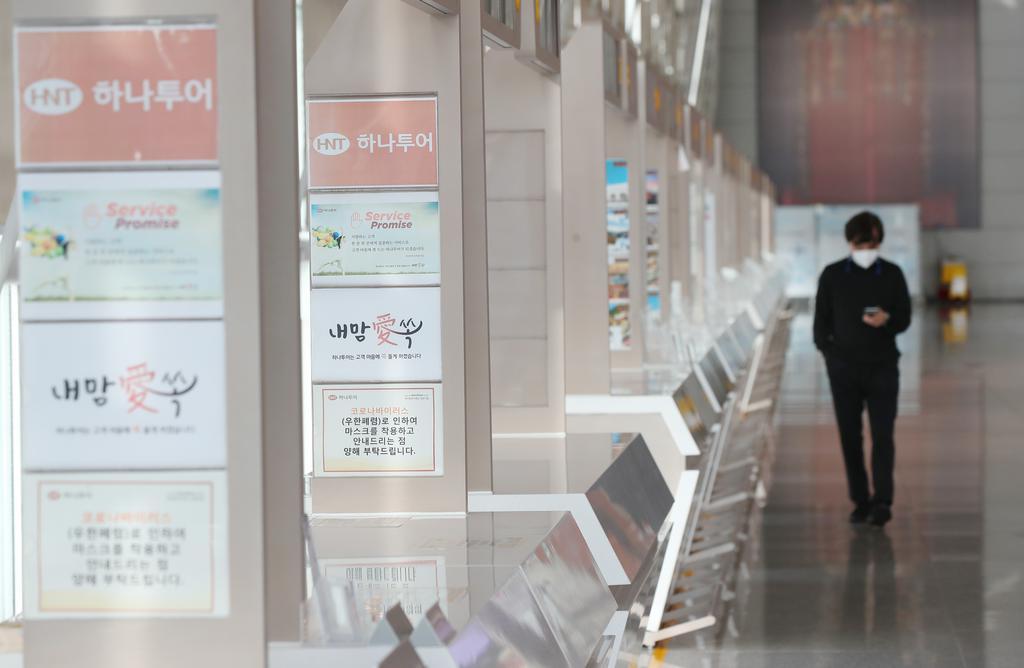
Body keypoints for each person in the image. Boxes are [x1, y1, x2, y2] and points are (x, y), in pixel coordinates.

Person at [813, 211, 911, 528]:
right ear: (849, 243)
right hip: (844, 370)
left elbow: (905, 318)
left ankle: (883, 501)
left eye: (870, 243)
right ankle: (860, 500)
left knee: (883, 435)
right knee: (849, 436)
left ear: (879, 242)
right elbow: (820, 327)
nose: (865, 248)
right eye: (860, 243)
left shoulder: (893, 275)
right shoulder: (832, 276)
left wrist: (888, 321)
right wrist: (832, 357)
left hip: (882, 367)